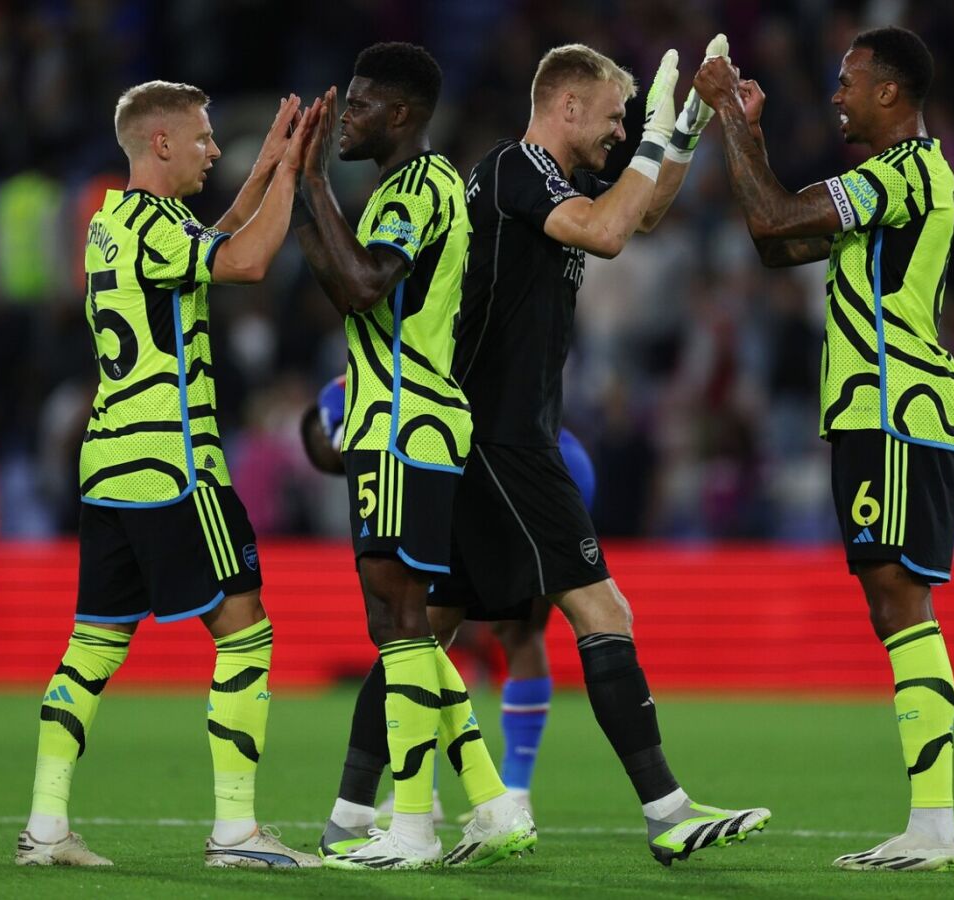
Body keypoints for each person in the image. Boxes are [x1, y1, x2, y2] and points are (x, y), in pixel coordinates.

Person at [322, 38, 772, 868]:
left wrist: (691, 125)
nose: (614, 134)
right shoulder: (514, 170)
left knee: (423, 635)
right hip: (501, 437)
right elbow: (608, 232)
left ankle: (351, 812)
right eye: (609, 118)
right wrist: (651, 144)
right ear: (564, 107)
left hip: (475, 435)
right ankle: (666, 809)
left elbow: (642, 211)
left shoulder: (545, 181)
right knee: (601, 610)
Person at [16, 82, 321, 869]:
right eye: (205, 139)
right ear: (160, 143)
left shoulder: (111, 225)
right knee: (247, 631)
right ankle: (235, 831)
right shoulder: (157, 226)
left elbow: (207, 244)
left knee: (92, 646)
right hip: (175, 464)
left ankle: (45, 828)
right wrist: (293, 173)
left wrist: (264, 169)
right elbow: (246, 260)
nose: (214, 151)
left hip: (108, 464)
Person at [693, 25, 954, 872]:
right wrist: (750, 131)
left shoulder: (909, 174)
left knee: (900, 599)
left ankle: (935, 825)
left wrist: (730, 118)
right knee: (891, 602)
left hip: (896, 403)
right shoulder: (881, 186)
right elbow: (775, 242)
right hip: (870, 410)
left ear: (890, 93)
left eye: (849, 83)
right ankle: (930, 822)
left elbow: (773, 214)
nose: (837, 95)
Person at [292, 42, 534, 871]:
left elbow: (364, 284)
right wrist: (310, 190)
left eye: (359, 107)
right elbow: (348, 288)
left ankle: (411, 829)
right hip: (404, 421)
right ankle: (492, 801)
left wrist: (310, 179)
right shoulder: (409, 189)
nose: (345, 118)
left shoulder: (418, 188)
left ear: (401, 115)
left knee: (398, 623)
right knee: (408, 628)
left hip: (402, 423)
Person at [301, 379, 596, 819]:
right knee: (515, 631)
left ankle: (422, 793)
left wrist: (346, 441)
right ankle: (512, 791)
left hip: (479, 465)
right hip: (554, 457)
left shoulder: (366, 374)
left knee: (420, 631)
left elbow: (332, 415)